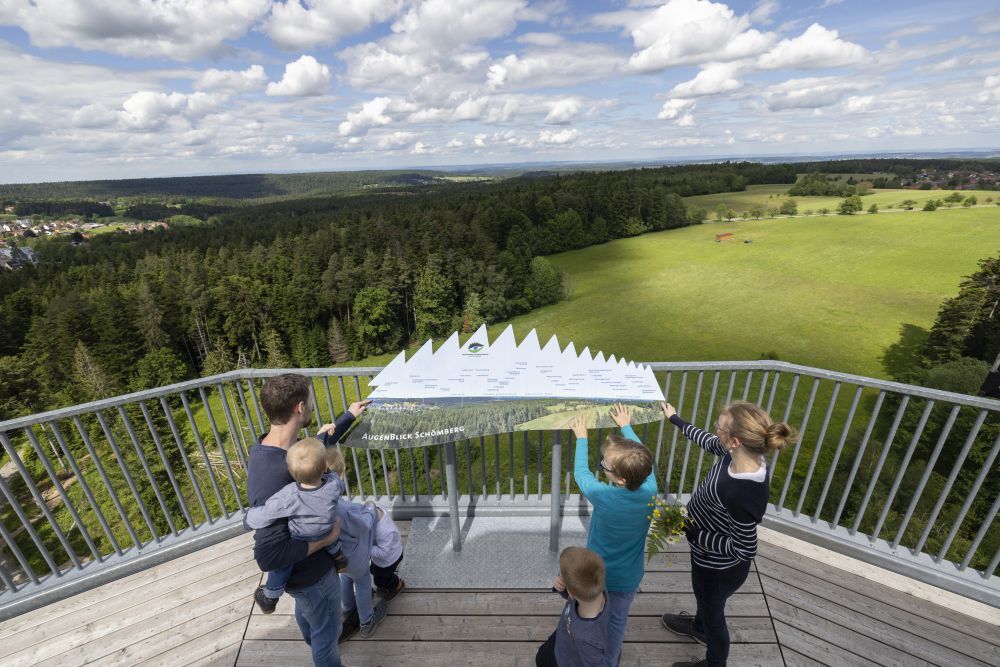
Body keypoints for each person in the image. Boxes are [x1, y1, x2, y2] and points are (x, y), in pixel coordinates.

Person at [659, 401, 797, 667]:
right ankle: (698, 627)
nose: (715, 431)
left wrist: (696, 533)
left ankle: (714, 660)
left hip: (719, 568)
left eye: (718, 427)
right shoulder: (738, 454)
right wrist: (676, 419)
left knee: (714, 614)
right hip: (706, 557)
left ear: (734, 440)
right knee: (703, 597)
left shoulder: (742, 492)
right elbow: (710, 442)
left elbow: (745, 548)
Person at [246, 373, 369, 667]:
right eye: (311, 401)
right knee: (328, 637)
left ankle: (314, 640)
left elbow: (312, 451)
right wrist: (324, 540)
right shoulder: (274, 474)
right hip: (310, 576)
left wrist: (348, 416)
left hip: (307, 578)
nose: (313, 406)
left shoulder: (277, 449)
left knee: (313, 618)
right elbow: (268, 556)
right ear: (300, 408)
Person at [570, 404, 656, 665]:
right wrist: (626, 426)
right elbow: (647, 463)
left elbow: (581, 474)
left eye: (605, 465)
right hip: (628, 577)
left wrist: (582, 438)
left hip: (598, 574)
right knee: (617, 620)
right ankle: (610, 660)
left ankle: (584, 654)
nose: (602, 467)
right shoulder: (650, 488)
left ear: (619, 479)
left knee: (590, 615)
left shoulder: (604, 496)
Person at [246, 438, 348, 613]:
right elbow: (340, 483)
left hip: (303, 537)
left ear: (291, 473)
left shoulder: (290, 494)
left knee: (283, 566)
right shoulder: (333, 484)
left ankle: (270, 596)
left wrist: (248, 519)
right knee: (330, 535)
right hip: (326, 528)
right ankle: (339, 557)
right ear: (324, 467)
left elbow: (267, 513)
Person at [326, 448, 406, 604]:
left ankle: (396, 585)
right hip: (379, 557)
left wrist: (364, 546)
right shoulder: (373, 513)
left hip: (389, 558)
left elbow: (383, 553)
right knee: (374, 570)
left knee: (381, 580)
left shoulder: (386, 532)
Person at [535, 546, 612, 667]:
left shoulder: (588, 640)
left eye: (562, 577)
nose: (560, 577)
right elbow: (577, 589)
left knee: (542, 659)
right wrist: (561, 586)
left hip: (565, 660)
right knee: (542, 654)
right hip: (563, 636)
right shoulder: (598, 587)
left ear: (571, 593)